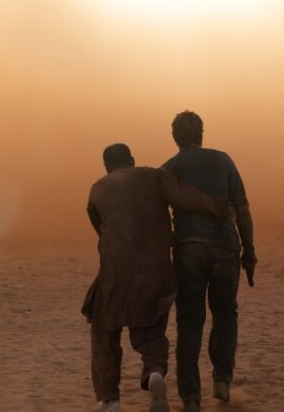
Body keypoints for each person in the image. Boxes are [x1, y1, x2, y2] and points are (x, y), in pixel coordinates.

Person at [82, 143, 229, 412]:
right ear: (133, 159)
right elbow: (187, 196)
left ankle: (110, 399)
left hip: (115, 274)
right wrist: (218, 206)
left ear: (106, 167)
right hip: (156, 271)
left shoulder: (97, 188)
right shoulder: (155, 176)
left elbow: (100, 228)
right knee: (150, 331)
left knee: (104, 330)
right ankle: (155, 373)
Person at [162, 111, 256, 410]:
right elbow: (241, 206)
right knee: (226, 313)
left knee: (190, 322)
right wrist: (249, 250)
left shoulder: (169, 169)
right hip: (225, 248)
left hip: (189, 249)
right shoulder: (223, 160)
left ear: (175, 137)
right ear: (201, 133)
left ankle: (190, 396)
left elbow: (156, 215)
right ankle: (222, 382)